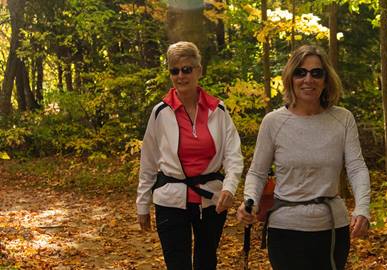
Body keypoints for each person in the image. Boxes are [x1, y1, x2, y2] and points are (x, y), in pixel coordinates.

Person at [236, 44, 371, 270]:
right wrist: (250, 200)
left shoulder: (343, 119)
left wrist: (362, 209)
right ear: (290, 78)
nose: (308, 79)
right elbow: (257, 173)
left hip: (332, 231)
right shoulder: (273, 122)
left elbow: (356, 168)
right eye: (301, 72)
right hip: (285, 229)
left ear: (326, 79)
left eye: (316, 73)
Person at [136, 41, 243, 270]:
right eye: (174, 70)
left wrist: (230, 187)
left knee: (206, 263)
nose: (181, 76)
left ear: (199, 70)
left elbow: (233, 155)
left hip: (211, 200)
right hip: (170, 199)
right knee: (177, 265)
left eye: (187, 69)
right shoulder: (160, 113)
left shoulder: (218, 110)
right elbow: (148, 162)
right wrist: (142, 204)